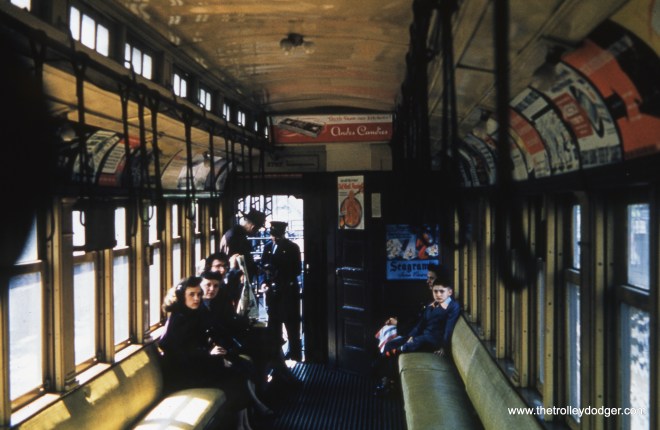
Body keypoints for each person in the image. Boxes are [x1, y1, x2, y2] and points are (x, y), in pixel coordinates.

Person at [159, 276, 274, 430]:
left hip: (193, 368)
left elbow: (200, 341)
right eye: (191, 295)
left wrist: (214, 353)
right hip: (181, 376)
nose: (196, 298)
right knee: (235, 376)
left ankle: (244, 424)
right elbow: (175, 350)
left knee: (239, 371)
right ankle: (243, 424)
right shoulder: (178, 319)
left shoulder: (191, 314)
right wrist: (209, 355)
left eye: (199, 294)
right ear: (181, 297)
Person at [374, 278, 460, 395]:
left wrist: (443, 347)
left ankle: (397, 353)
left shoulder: (453, 307)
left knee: (417, 341)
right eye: (435, 291)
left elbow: (448, 329)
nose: (438, 294)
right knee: (390, 344)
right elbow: (421, 324)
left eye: (442, 291)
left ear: (449, 292)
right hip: (422, 336)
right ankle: (389, 380)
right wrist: (411, 335)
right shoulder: (432, 305)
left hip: (433, 341)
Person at [260, 221, 303, 361]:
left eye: (277, 236)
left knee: (292, 324)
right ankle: (276, 355)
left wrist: (278, 271)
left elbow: (296, 270)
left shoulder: (292, 248)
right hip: (272, 292)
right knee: (274, 323)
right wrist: (263, 282)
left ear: (283, 234)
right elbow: (262, 267)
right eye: (273, 235)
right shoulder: (267, 247)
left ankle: (295, 354)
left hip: (288, 291)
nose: (274, 238)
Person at [219, 209, 267, 279]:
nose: (256, 232)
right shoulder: (235, 236)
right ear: (253, 227)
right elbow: (235, 261)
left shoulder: (237, 234)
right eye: (257, 229)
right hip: (235, 278)